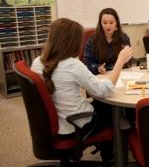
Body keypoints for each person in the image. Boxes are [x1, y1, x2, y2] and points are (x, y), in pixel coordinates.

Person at [31, 18, 133, 166]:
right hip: (76, 124)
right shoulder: (72, 65)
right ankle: (111, 157)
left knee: (100, 103)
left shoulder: (37, 62)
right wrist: (120, 61)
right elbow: (103, 90)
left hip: (54, 122)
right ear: (73, 41)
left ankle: (110, 153)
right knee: (118, 110)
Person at [84, 8, 132, 75]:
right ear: (100, 24)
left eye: (111, 23)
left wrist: (116, 68)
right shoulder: (93, 40)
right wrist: (97, 68)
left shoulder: (123, 38)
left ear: (116, 23)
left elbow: (128, 60)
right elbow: (87, 62)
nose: (108, 26)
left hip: (118, 74)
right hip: (99, 76)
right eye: (104, 23)